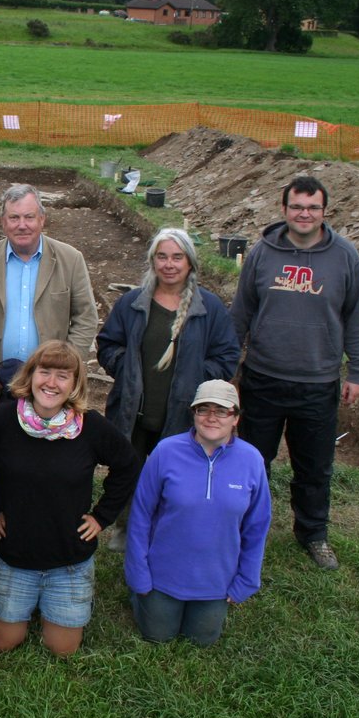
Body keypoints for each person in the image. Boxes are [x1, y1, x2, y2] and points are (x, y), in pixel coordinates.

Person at [0, 340, 141, 656]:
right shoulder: (2, 421)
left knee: (62, 650)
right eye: (44, 371)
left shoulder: (90, 427)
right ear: (30, 375)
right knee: (5, 644)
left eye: (63, 375)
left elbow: (127, 464)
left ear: (74, 384)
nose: (51, 382)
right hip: (15, 557)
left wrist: (102, 517)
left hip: (69, 561)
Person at [230, 175, 359, 571]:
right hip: (262, 378)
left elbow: (356, 318)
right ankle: (241, 528)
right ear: (285, 210)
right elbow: (240, 313)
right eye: (297, 207)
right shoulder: (262, 253)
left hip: (317, 381)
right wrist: (225, 368)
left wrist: (357, 371)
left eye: (312, 207)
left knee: (314, 466)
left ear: (324, 211)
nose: (304, 214)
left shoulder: (344, 257)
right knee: (252, 461)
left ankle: (313, 534)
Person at [96, 228, 241, 551]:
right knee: (128, 471)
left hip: (182, 411)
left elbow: (227, 354)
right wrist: (125, 367)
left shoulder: (209, 309)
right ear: (152, 262)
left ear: (189, 262)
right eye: (162, 257)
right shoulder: (132, 304)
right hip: (134, 410)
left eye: (177, 257)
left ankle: (168, 530)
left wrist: (198, 379)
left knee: (176, 476)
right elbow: (107, 343)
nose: (169, 264)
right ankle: (126, 528)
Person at [124, 380, 271, 647]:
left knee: (201, 641)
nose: (211, 417)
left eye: (221, 410)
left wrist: (247, 580)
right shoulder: (165, 451)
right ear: (193, 413)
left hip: (216, 579)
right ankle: (142, 599)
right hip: (163, 575)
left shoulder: (252, 460)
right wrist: (138, 574)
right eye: (203, 409)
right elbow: (141, 515)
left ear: (235, 418)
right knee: (158, 636)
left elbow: (257, 526)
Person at [0, 184, 99, 415]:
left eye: (29, 217)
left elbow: (85, 317)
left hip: (51, 387)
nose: (21, 225)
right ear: (3, 222)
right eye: (14, 218)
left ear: (42, 219)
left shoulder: (71, 260)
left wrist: (64, 367)